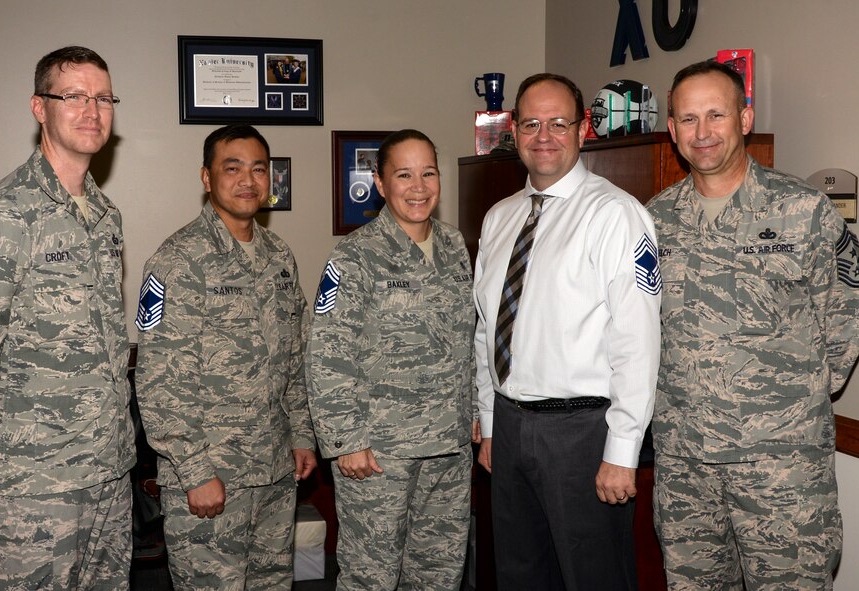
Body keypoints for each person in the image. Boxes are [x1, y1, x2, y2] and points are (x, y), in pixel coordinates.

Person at [648, 60, 859, 590]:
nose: (702, 133)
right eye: (688, 119)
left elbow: (845, 314)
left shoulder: (804, 210)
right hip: (686, 469)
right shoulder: (651, 222)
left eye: (716, 115)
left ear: (744, 118)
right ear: (672, 130)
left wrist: (787, 404)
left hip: (782, 468)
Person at [473, 73, 661, 590]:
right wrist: (489, 423)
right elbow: (486, 330)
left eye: (559, 123)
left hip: (582, 434)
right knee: (519, 575)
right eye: (531, 123)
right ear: (513, 130)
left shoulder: (616, 216)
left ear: (583, 131)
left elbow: (638, 344)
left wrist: (622, 452)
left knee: (593, 577)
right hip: (510, 429)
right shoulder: (499, 218)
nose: (544, 136)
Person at [0, 46, 134, 589]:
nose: (93, 110)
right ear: (39, 108)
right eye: (74, 96)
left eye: (103, 97)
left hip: (109, 471)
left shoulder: (105, 216)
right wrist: (1, 448)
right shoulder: (4, 214)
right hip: (36, 482)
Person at [134, 124, 317, 589]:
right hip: (212, 475)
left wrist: (301, 435)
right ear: (206, 177)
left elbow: (294, 358)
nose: (248, 181)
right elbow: (160, 381)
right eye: (231, 168)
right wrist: (195, 473)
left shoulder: (278, 255)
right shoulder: (178, 260)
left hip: (275, 472)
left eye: (259, 169)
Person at [307, 129, 474, 590]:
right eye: (404, 174)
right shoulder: (354, 256)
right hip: (380, 452)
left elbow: (467, 338)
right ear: (380, 183)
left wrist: (474, 412)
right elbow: (327, 352)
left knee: (439, 573)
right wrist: (345, 441)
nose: (418, 186)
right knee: (371, 578)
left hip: (449, 446)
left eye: (428, 173)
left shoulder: (455, 247)